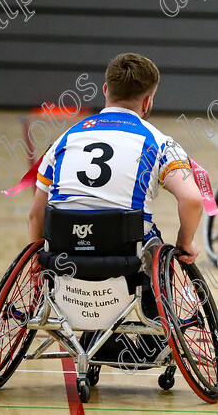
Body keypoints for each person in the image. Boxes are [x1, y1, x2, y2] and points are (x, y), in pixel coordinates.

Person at [28, 53, 203, 265]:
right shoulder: (159, 143)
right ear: (147, 102)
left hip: (63, 256)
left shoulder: (64, 140)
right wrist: (185, 243)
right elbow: (192, 200)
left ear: (105, 90)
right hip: (125, 259)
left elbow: (36, 215)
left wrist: (37, 261)